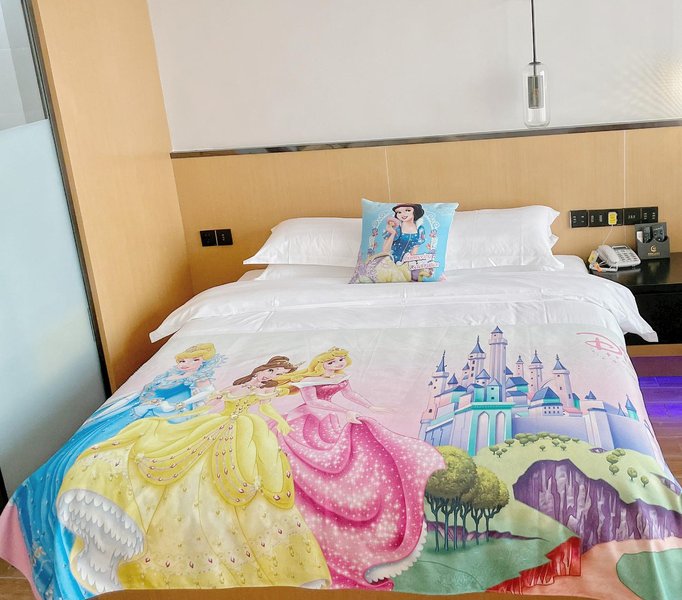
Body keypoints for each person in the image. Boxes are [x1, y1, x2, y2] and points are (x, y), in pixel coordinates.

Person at [56, 356, 330, 594]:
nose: (270, 376)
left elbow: (269, 407)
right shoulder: (236, 387)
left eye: (277, 375)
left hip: (244, 429)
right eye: (270, 371)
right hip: (213, 424)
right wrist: (182, 412)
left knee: (246, 470)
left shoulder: (267, 392)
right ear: (261, 370)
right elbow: (208, 403)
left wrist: (280, 421)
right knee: (169, 450)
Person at [11, 343, 223, 600]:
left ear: (202, 362)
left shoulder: (198, 378)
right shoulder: (170, 374)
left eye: (193, 360)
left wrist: (174, 407)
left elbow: (204, 394)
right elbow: (149, 391)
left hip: (170, 415)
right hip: (143, 411)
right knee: (92, 452)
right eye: (183, 360)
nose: (185, 365)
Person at [274, 348, 445, 590]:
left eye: (340, 360)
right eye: (331, 361)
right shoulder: (310, 380)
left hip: (330, 418)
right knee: (308, 460)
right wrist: (345, 412)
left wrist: (371, 407)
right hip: (307, 419)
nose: (336, 364)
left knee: (356, 442)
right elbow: (313, 403)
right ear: (321, 362)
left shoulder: (340, 377)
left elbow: (350, 394)